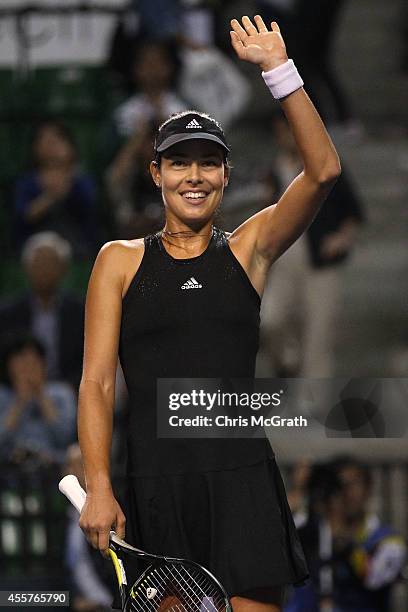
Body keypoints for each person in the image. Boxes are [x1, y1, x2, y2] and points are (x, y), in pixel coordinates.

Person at [78, 15, 341, 611]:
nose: (193, 176)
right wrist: (98, 483)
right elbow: (94, 383)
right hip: (156, 486)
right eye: (179, 163)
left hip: (242, 480)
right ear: (157, 175)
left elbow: (323, 171)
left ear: (225, 175)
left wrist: (280, 71)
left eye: (207, 163)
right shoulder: (117, 261)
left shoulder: (250, 248)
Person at [0, 232, 85, 390]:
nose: (44, 270)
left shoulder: (80, 312)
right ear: (26, 268)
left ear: (64, 269)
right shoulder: (7, 313)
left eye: (51, 263)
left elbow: (87, 361)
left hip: (67, 390)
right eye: (38, 263)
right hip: (15, 390)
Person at [14, 120, 98, 257]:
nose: (50, 145)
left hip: (75, 242)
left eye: (56, 139)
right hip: (35, 242)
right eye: (44, 139)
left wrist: (66, 169)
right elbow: (26, 215)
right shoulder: (27, 181)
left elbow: (87, 208)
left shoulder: (80, 180)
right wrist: (51, 196)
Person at [0, 334, 76, 465]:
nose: (28, 368)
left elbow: (67, 438)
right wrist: (20, 402)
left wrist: (41, 395)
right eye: (21, 363)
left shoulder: (62, 393)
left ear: (44, 364)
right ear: (9, 366)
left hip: (54, 465)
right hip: (9, 467)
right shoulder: (2, 395)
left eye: (33, 361)